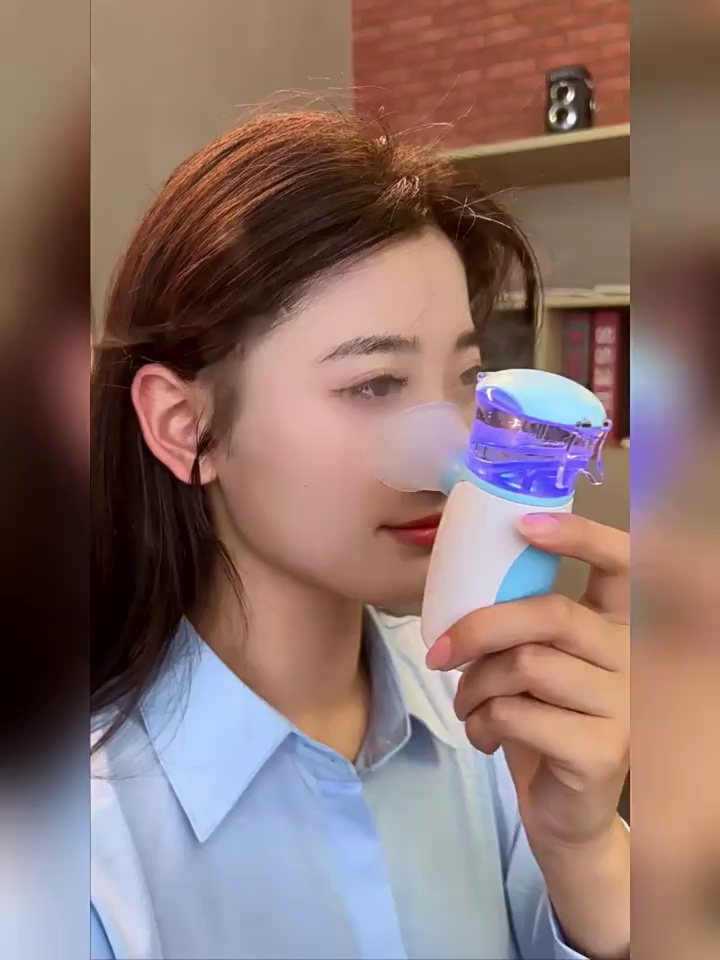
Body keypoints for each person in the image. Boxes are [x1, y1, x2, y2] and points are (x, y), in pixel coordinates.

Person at [91, 110, 629, 960]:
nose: (453, 450)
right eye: (375, 384)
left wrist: (587, 854)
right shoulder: (82, 844)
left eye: (465, 378)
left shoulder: (488, 718)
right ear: (185, 426)